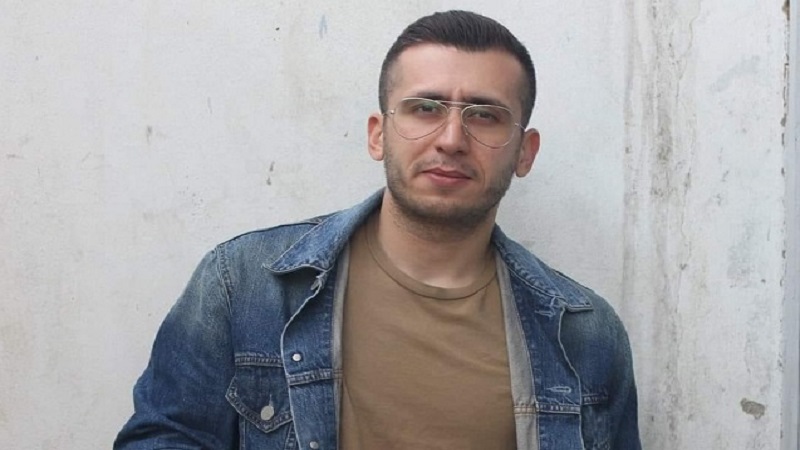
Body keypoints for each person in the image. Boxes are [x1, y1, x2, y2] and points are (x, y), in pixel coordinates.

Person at [115, 10, 640, 450]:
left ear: (524, 152)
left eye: (484, 115)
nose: (451, 139)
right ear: (378, 135)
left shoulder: (585, 334)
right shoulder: (244, 285)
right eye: (425, 108)